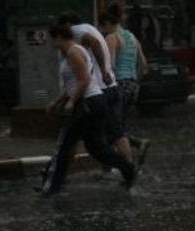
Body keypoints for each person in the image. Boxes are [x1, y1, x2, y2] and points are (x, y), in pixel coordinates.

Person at [38, 24, 136, 196]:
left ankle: (51, 189)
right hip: (93, 103)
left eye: (54, 40)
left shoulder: (73, 53)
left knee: (65, 146)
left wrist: (71, 102)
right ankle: (128, 169)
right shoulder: (75, 51)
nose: (54, 44)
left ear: (60, 37)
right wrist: (58, 102)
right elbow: (74, 84)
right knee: (96, 148)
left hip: (87, 103)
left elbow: (84, 80)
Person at [56, 12, 136, 172]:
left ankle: (128, 168)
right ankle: (126, 167)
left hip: (98, 90)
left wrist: (104, 70)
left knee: (80, 136)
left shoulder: (76, 31)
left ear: (67, 24)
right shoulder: (89, 28)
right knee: (110, 132)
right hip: (108, 87)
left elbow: (93, 43)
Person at [99, 4, 151, 167]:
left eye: (103, 26)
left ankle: (124, 163)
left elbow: (111, 64)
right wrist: (134, 81)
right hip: (132, 86)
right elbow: (144, 66)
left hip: (118, 85)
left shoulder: (112, 37)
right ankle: (117, 164)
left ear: (108, 23)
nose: (102, 30)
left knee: (112, 127)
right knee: (117, 125)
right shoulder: (132, 37)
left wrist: (104, 83)